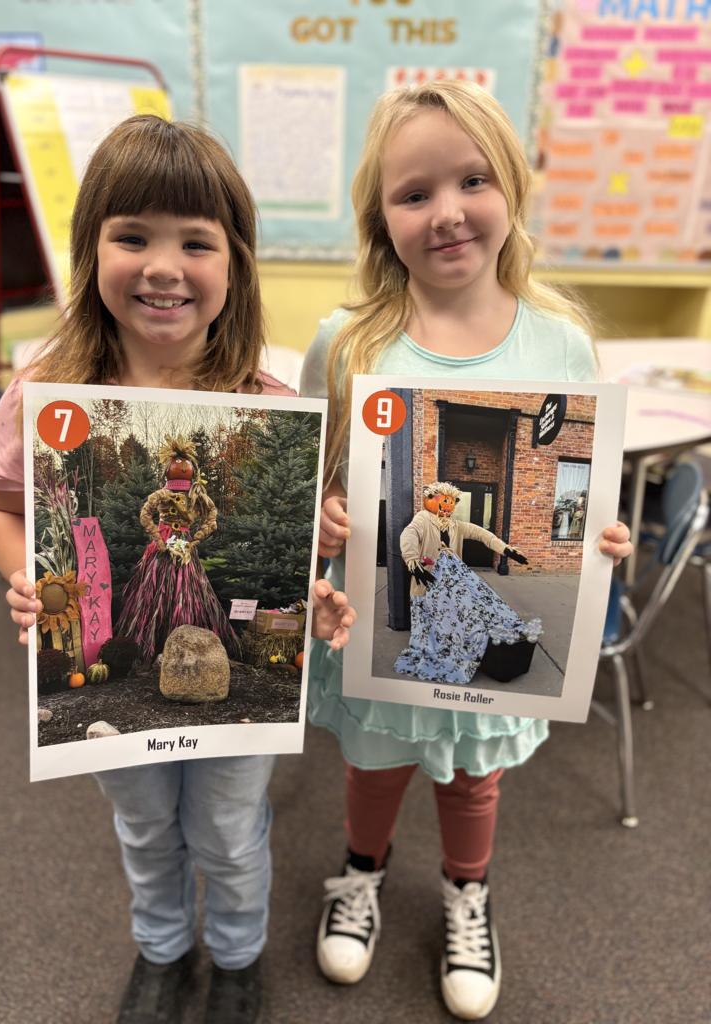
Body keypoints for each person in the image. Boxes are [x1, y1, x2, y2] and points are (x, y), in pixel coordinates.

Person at [0, 115, 355, 1024]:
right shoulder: (46, 389)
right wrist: (21, 576)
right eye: (131, 235)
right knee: (144, 823)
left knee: (227, 831)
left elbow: (302, 544)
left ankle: (236, 959)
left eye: (196, 241)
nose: (162, 266)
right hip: (150, 575)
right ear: (90, 249)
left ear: (235, 264)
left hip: (200, 591)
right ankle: (161, 948)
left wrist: (320, 585)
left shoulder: (267, 403)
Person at [299, 81, 632, 1021]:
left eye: (472, 180)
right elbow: (323, 481)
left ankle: (466, 893)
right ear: (382, 216)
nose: (446, 213)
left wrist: (600, 537)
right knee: (372, 762)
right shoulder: (348, 340)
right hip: (377, 624)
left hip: (467, 605)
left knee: (476, 770)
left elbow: (574, 493)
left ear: (512, 188)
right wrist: (324, 515)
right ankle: (360, 872)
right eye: (413, 194)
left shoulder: (561, 345)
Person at [395, 481, 539, 685]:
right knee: (436, 616)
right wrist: (412, 560)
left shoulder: (455, 525)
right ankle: (443, 647)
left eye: (452, 502)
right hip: (428, 579)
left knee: (465, 609)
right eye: (444, 501)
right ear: (431, 500)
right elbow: (409, 535)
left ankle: (467, 645)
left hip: (454, 580)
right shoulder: (423, 519)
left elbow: (482, 534)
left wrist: (506, 549)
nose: (448, 506)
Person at [116, 432, 241, 665]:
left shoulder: (197, 495)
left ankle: (187, 644)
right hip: (163, 548)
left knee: (190, 589)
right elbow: (145, 515)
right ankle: (152, 647)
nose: (182, 467)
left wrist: (196, 539)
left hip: (185, 548)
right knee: (156, 593)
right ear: (169, 468)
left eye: (185, 464)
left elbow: (212, 518)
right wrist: (159, 540)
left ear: (191, 468)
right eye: (178, 464)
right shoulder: (162, 494)